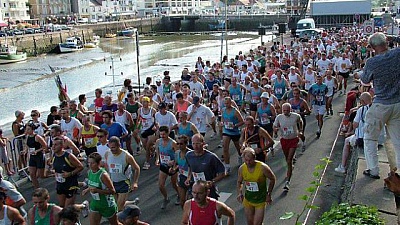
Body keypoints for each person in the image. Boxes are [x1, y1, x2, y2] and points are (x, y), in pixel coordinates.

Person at [361, 32, 400, 179]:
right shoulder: (397, 54)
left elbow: (365, 81)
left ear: (371, 47)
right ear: (386, 42)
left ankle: (373, 170)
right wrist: (394, 38)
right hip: (398, 103)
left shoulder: (372, 62)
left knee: (370, 137)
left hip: (381, 104)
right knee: (398, 141)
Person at [236, 148, 276, 225]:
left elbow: (272, 179)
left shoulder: (262, 167)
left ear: (254, 158)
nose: (248, 162)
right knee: (250, 223)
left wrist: (269, 193)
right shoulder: (242, 168)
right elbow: (239, 182)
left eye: (250, 160)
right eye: (246, 160)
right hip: (248, 200)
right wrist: (240, 193)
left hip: (260, 201)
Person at [335, 92, 371, 173]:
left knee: (347, 141)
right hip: (378, 138)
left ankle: (343, 166)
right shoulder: (376, 108)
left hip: (363, 139)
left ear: (363, 101)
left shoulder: (362, 110)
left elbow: (355, 125)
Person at [104, 136, 140, 211]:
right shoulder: (107, 153)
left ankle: (120, 221)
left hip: (124, 183)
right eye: (110, 147)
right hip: (112, 183)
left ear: (119, 145)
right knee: (117, 203)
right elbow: (107, 167)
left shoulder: (127, 156)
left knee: (118, 208)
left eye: (113, 148)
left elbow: (137, 168)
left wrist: (135, 182)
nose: (112, 150)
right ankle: (132, 203)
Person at [81, 152, 119, 225]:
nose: (90, 165)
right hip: (95, 203)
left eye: (92, 163)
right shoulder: (89, 172)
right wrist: (87, 189)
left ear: (98, 163)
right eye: (89, 163)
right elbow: (92, 184)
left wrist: (97, 190)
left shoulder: (103, 175)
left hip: (106, 205)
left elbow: (112, 191)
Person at [185, 134, 225, 199]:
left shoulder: (211, 157)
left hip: (208, 191)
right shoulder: (189, 155)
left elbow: (222, 173)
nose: (195, 146)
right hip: (195, 189)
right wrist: (189, 177)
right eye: (193, 144)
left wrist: (212, 181)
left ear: (203, 143)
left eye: (197, 143)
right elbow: (190, 167)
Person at [273, 103, 303, 191]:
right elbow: (275, 126)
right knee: (287, 159)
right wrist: (275, 131)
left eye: (287, 110)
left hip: (293, 139)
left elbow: (300, 121)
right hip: (284, 140)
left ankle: (287, 181)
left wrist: (300, 130)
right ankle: (291, 163)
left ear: (290, 110)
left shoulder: (295, 116)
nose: (285, 112)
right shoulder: (279, 117)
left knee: (289, 160)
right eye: (284, 111)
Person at [52, 137, 84, 207]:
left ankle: (83, 206)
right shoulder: (54, 156)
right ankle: (82, 206)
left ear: (61, 146)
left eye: (56, 145)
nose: (53, 147)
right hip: (60, 185)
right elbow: (56, 168)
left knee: (68, 208)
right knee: (62, 206)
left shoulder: (68, 156)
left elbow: (80, 167)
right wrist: (52, 172)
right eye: (53, 145)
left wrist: (70, 173)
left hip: (70, 185)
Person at [154, 126, 179, 209]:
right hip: (163, 165)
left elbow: (178, 155)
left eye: (164, 134)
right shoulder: (158, 141)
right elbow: (158, 151)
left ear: (168, 133)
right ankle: (166, 198)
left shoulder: (173, 143)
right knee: (160, 185)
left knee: (174, 184)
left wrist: (174, 163)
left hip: (172, 166)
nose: (162, 136)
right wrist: (157, 159)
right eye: (161, 134)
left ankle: (179, 195)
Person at [221, 97, 244, 174]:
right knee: (225, 148)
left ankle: (240, 156)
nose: (226, 104)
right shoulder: (223, 110)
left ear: (231, 103)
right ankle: (227, 166)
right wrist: (222, 123)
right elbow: (222, 119)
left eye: (227, 103)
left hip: (234, 132)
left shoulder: (235, 111)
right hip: (226, 131)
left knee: (238, 147)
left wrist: (235, 125)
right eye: (225, 103)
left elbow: (242, 121)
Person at [25, 122, 48, 189]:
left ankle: (53, 174)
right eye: (26, 129)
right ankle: (37, 188)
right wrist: (25, 151)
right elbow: (27, 145)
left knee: (41, 176)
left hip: (39, 156)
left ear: (33, 129)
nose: (27, 131)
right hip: (32, 157)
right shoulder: (28, 137)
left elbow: (45, 146)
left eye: (29, 129)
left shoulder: (37, 137)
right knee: (32, 174)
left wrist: (37, 151)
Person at [137, 97, 157, 170]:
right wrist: (137, 127)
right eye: (142, 102)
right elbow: (139, 120)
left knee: (148, 146)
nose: (144, 103)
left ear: (149, 103)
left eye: (145, 102)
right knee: (145, 146)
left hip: (151, 129)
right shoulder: (139, 110)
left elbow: (156, 120)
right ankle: (153, 150)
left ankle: (147, 162)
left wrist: (155, 126)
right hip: (143, 130)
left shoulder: (153, 110)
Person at [172, 135, 191, 207]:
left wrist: (189, 177)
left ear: (186, 144)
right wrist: (173, 169)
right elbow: (176, 163)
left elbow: (193, 167)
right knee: (182, 201)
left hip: (191, 179)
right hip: (182, 177)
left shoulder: (190, 154)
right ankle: (186, 216)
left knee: (191, 201)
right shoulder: (177, 153)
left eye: (181, 144)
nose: (179, 145)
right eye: (178, 144)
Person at [12, 110, 26, 177]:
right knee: (21, 155)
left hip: (24, 140)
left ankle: (25, 167)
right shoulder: (15, 124)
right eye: (22, 114)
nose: (23, 115)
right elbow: (16, 134)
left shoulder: (22, 122)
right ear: (19, 115)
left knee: (25, 154)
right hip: (19, 141)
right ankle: (20, 170)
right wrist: (24, 134)